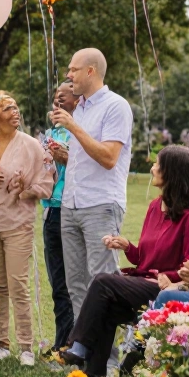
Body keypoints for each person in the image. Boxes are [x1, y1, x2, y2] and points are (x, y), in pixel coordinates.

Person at [61, 145, 189, 377]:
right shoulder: (155, 206)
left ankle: (78, 346)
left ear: (172, 172)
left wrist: (170, 280)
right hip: (144, 283)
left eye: (157, 164)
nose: (152, 167)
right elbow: (145, 258)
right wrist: (128, 246)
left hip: (168, 290)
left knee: (102, 280)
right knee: (106, 304)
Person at [0, 91, 53, 365]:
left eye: (16, 107)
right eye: (8, 108)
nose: (15, 112)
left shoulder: (31, 146)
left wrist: (23, 189)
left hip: (17, 225)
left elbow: (45, 185)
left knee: (18, 286)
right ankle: (1, 343)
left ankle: (26, 347)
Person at [50, 48, 133, 318]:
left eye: (73, 69)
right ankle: (83, 352)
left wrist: (73, 127)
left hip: (100, 205)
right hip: (71, 205)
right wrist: (63, 153)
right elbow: (84, 156)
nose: (68, 74)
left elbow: (109, 157)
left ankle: (107, 360)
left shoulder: (115, 106)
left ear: (90, 71)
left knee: (103, 281)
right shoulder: (82, 108)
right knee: (76, 285)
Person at [41, 82, 80, 353]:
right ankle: (60, 342)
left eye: (62, 99)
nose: (57, 104)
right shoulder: (51, 133)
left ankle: (75, 343)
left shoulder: (80, 132)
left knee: (73, 282)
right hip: (50, 211)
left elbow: (85, 166)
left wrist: (65, 157)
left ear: (77, 102)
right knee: (57, 283)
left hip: (72, 209)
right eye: (55, 99)